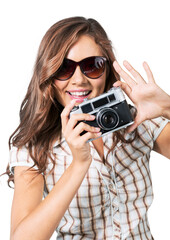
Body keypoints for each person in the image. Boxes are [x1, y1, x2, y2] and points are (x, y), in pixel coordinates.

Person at [6, 16, 170, 240]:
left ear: (106, 69)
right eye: (64, 68)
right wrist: (79, 163)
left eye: (92, 66)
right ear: (49, 75)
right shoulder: (34, 146)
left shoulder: (137, 120)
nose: (78, 80)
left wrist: (168, 107)